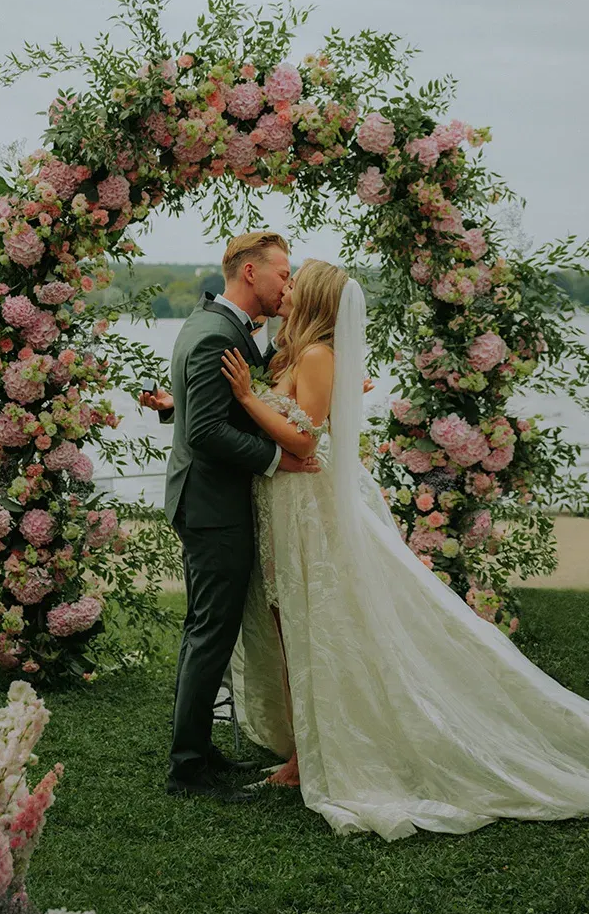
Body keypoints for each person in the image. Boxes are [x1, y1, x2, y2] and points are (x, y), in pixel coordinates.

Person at [222, 258, 589, 842]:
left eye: (295, 283)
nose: (285, 289)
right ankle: (301, 749)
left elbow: (304, 436)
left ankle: (314, 756)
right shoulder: (296, 352)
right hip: (285, 505)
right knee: (290, 624)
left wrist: (245, 398)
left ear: (314, 298)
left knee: (317, 625)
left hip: (311, 509)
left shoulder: (317, 356)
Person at [144, 231, 319, 803]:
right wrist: (278, 458)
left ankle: (197, 748)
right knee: (209, 632)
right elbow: (206, 430)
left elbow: (200, 410)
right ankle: (187, 770)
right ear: (251, 274)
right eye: (282, 274)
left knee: (208, 631)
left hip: (208, 500)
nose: (286, 285)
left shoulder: (213, 324)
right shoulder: (217, 334)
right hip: (212, 507)